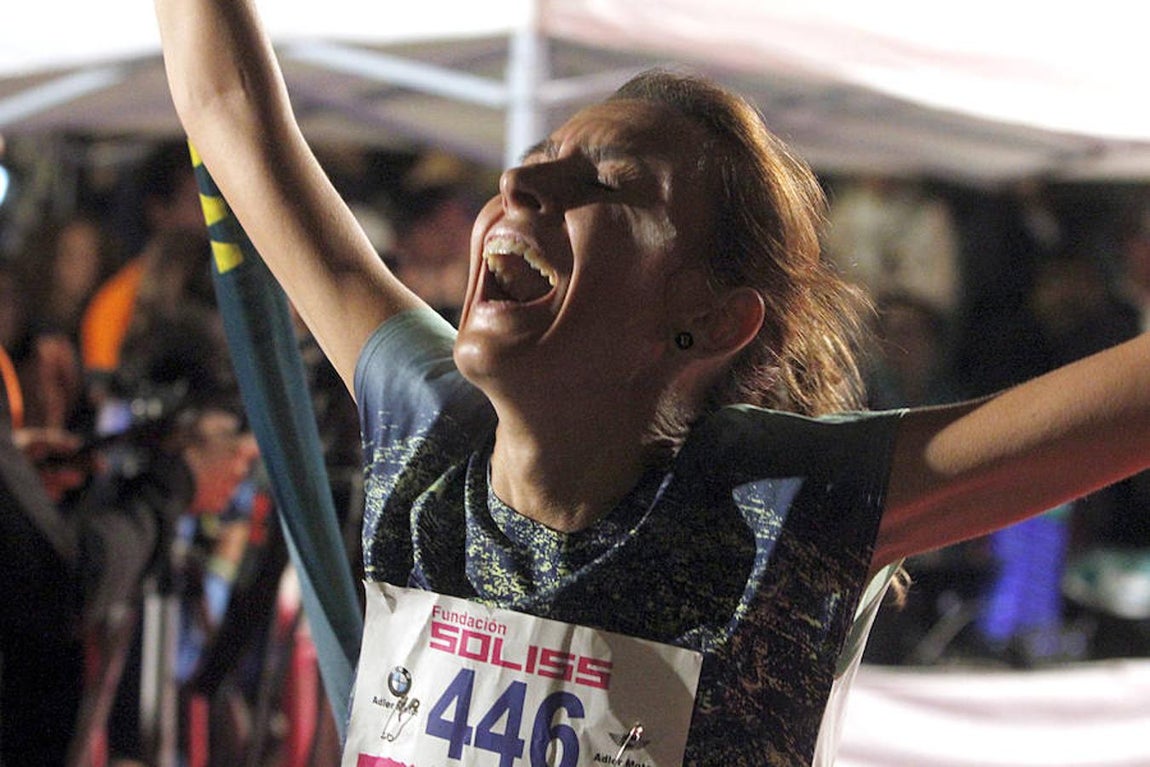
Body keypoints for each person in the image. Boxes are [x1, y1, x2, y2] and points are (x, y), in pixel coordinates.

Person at [154, 2, 1150, 764]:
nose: (519, 185)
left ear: (711, 321)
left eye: (613, 184)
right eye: (535, 161)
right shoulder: (430, 423)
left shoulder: (782, 502)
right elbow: (227, 111)